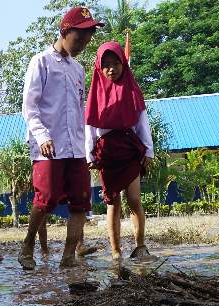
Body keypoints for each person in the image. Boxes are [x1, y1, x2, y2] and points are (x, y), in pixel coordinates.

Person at [19, 6, 104, 270]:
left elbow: (80, 109)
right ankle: (27, 246)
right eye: (79, 39)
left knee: (80, 201)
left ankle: (68, 257)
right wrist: (42, 135)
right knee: (46, 198)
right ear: (65, 32)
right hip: (48, 146)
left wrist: (89, 144)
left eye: (87, 41)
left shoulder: (78, 69)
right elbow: (30, 106)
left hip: (76, 148)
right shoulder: (41, 62)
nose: (82, 45)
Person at [85, 41, 154, 260]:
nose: (111, 69)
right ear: (99, 67)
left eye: (116, 63)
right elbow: (90, 126)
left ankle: (140, 245)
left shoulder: (132, 89)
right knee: (112, 202)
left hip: (129, 148)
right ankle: (116, 251)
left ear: (124, 64)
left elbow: (142, 121)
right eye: (106, 65)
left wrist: (149, 151)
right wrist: (89, 154)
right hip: (107, 152)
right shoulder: (95, 93)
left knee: (134, 200)